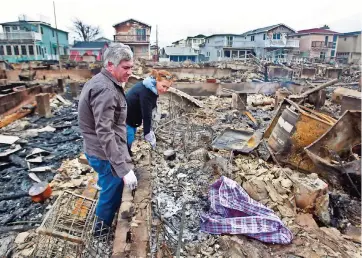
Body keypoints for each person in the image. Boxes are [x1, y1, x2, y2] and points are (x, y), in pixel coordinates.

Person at [78, 43, 137, 230]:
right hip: (102, 153)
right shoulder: (106, 90)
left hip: (98, 149)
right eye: (125, 67)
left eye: (131, 67)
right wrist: (123, 168)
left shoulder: (104, 82)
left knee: (109, 186)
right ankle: (100, 232)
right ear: (110, 65)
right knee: (111, 192)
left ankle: (103, 222)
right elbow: (105, 132)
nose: (130, 72)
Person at [125, 70, 173, 154]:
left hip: (133, 118)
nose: (165, 90)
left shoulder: (152, 88)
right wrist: (147, 133)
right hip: (124, 119)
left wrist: (159, 116)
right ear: (157, 80)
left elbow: (151, 107)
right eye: (164, 86)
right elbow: (146, 114)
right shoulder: (146, 91)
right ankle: (125, 162)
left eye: (167, 87)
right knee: (129, 144)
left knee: (130, 141)